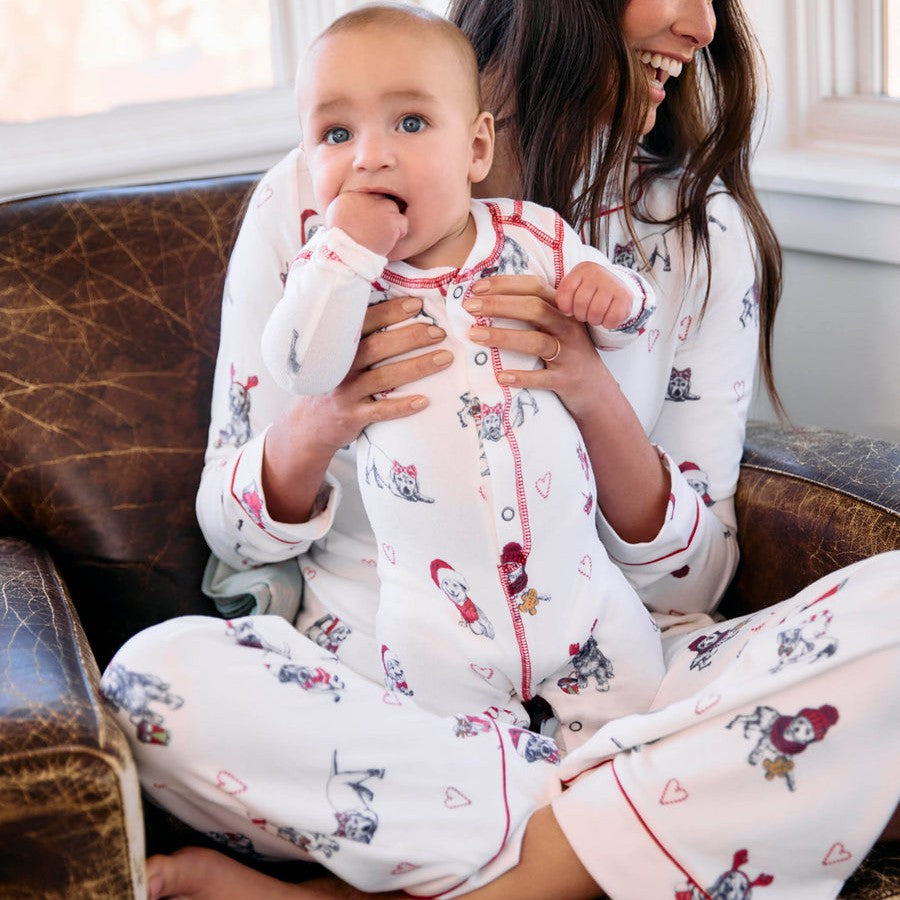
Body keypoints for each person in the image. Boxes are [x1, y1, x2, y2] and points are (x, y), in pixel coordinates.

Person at [101, 1, 900, 898]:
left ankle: (480, 880)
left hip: (617, 673)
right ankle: (644, 821)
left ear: (477, 145)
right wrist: (322, 416)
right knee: (152, 688)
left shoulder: (691, 231)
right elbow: (234, 539)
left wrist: (593, 394)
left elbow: (691, 583)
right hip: (386, 695)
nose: (701, 23)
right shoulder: (314, 197)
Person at [260, 5, 663, 747]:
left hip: (578, 592)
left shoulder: (531, 232)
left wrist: (613, 299)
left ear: (477, 147)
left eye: (410, 123)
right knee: (458, 758)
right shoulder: (332, 276)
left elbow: (624, 305)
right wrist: (346, 257)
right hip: (434, 621)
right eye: (336, 134)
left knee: (640, 715)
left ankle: (600, 801)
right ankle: (507, 800)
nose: (370, 157)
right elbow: (301, 367)